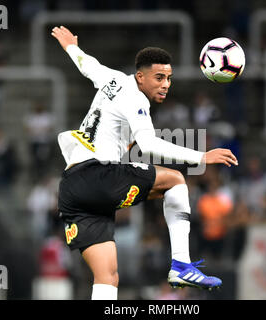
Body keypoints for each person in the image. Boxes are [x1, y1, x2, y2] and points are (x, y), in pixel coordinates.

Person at [51, 26, 238, 300]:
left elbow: (87, 65)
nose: (165, 85)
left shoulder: (112, 79)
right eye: (159, 78)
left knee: (107, 276)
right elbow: (149, 145)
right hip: (98, 176)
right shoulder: (136, 97)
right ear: (140, 77)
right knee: (175, 180)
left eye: (169, 78)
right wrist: (202, 156)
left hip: (72, 190)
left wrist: (71, 47)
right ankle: (181, 265)